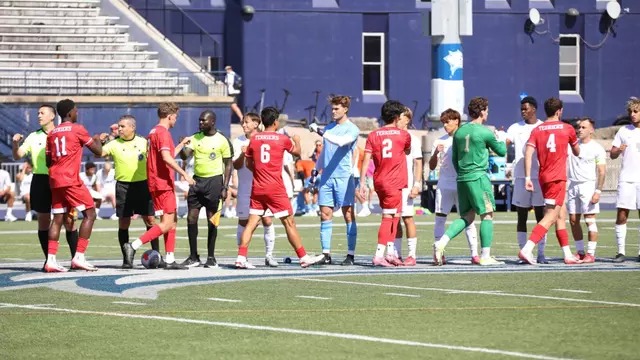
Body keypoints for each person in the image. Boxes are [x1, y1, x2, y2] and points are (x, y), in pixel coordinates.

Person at [235, 107, 324, 268]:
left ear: (261, 121)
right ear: (276, 122)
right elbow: (297, 152)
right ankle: (303, 257)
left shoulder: (254, 139)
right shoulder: (281, 138)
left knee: (251, 223)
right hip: (275, 188)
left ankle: (241, 258)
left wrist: (259, 171)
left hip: (257, 187)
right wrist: (296, 139)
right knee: (289, 223)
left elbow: (248, 163)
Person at [433, 97, 506, 266]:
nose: (487, 113)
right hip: (478, 177)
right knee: (487, 215)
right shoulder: (485, 131)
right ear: (481, 112)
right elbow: (501, 151)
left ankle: (441, 242)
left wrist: (463, 174)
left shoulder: (459, 132)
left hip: (462, 178)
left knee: (466, 217)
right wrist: (500, 137)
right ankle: (486, 256)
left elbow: (455, 158)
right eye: (486, 110)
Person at [123, 102, 194, 270]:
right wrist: (184, 174)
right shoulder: (163, 133)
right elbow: (166, 158)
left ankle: (169, 259)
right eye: (175, 117)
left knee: (172, 221)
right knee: (167, 223)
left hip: (157, 182)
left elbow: (167, 154)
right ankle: (133, 246)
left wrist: (181, 144)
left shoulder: (153, 131)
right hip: (162, 183)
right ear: (169, 116)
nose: (176, 120)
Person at [12, 104, 79, 268]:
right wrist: (15, 143)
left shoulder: (64, 133)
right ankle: (49, 260)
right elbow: (17, 155)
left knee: (69, 221)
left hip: (62, 181)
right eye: (38, 113)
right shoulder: (33, 136)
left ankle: (76, 259)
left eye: (42, 113)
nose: (39, 116)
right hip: (41, 181)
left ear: (52, 116)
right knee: (43, 221)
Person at [518, 97, 582, 265]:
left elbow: (528, 153)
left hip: (544, 177)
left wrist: (526, 177)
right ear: (559, 111)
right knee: (551, 216)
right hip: (557, 178)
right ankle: (527, 248)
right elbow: (577, 151)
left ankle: (567, 254)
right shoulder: (567, 128)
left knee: (561, 214)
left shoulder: (537, 130)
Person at [44, 99, 105, 272]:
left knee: (57, 219)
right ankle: (79, 257)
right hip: (70, 179)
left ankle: (51, 260)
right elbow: (98, 152)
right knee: (90, 213)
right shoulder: (78, 129)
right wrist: (97, 139)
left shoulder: (52, 133)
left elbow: (48, 160)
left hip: (55, 179)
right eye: (76, 111)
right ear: (70, 112)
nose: (77, 113)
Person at [97, 114, 160, 268]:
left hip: (143, 186)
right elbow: (99, 153)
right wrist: (99, 140)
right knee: (124, 223)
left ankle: (157, 255)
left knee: (150, 221)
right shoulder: (114, 144)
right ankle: (127, 258)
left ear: (132, 127)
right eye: (119, 126)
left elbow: (155, 159)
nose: (119, 129)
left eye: (122, 126)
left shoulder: (144, 142)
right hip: (123, 187)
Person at [309, 95, 360, 265]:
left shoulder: (352, 129)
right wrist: (316, 169)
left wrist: (321, 131)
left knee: (347, 214)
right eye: (332, 108)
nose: (333, 111)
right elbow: (325, 152)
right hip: (327, 177)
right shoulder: (330, 127)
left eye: (337, 108)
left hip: (344, 177)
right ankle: (326, 254)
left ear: (345, 109)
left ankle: (350, 254)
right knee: (325, 213)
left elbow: (340, 142)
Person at [179, 110, 233, 268]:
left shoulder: (222, 140)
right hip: (197, 182)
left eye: (203, 121)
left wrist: (225, 186)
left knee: (212, 220)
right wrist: (184, 146)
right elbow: (184, 156)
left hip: (214, 182)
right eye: (199, 120)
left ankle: (211, 257)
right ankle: (193, 256)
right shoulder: (195, 138)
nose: (200, 123)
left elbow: (228, 164)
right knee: (191, 218)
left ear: (212, 122)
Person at [359, 100, 410, 267]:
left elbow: (366, 159)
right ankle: (379, 255)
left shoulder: (373, 135)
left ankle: (390, 253)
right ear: (396, 117)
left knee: (395, 215)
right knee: (388, 217)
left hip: (380, 180)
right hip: (393, 181)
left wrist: (362, 183)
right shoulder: (403, 135)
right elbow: (407, 150)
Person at [429, 109, 479, 265]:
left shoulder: (465, 138)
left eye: (447, 121)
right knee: (440, 218)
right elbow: (431, 166)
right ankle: (439, 253)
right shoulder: (439, 141)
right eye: (443, 122)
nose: (445, 125)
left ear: (456, 121)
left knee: (468, 219)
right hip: (444, 184)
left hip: (462, 183)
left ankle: (475, 254)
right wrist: (435, 154)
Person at [505, 96, 548, 263]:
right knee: (521, 216)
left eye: (526, 109)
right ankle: (523, 252)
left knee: (540, 216)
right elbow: (505, 144)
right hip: (521, 176)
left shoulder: (543, 127)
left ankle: (541, 253)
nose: (523, 112)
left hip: (539, 177)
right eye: (522, 109)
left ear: (534, 109)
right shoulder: (515, 128)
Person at [233, 112, 279, 267]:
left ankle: (269, 255)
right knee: (244, 221)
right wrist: (243, 154)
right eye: (243, 122)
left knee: (267, 219)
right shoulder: (237, 141)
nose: (244, 125)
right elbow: (236, 165)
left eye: (246, 122)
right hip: (245, 188)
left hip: (262, 187)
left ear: (256, 123)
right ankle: (242, 256)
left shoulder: (265, 139)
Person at [567, 118, 606, 263]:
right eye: (578, 127)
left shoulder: (597, 148)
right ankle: (580, 252)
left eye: (583, 127)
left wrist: (598, 191)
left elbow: (602, 171)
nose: (580, 130)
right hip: (573, 186)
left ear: (591, 130)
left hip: (588, 186)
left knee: (589, 219)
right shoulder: (571, 146)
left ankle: (591, 253)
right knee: (573, 220)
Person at [610, 98, 640, 262]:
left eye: (636, 111)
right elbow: (612, 154)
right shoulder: (623, 131)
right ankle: (620, 252)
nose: (632, 115)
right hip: (626, 179)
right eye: (631, 112)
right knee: (622, 214)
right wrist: (618, 150)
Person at [393, 108, 422, 266]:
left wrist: (416, 185)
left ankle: (412, 255)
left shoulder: (413, 139)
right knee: (394, 219)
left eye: (401, 118)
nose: (398, 120)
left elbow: (418, 163)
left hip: (406, 184)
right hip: (392, 185)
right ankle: (396, 254)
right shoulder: (391, 136)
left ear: (407, 120)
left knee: (407, 218)